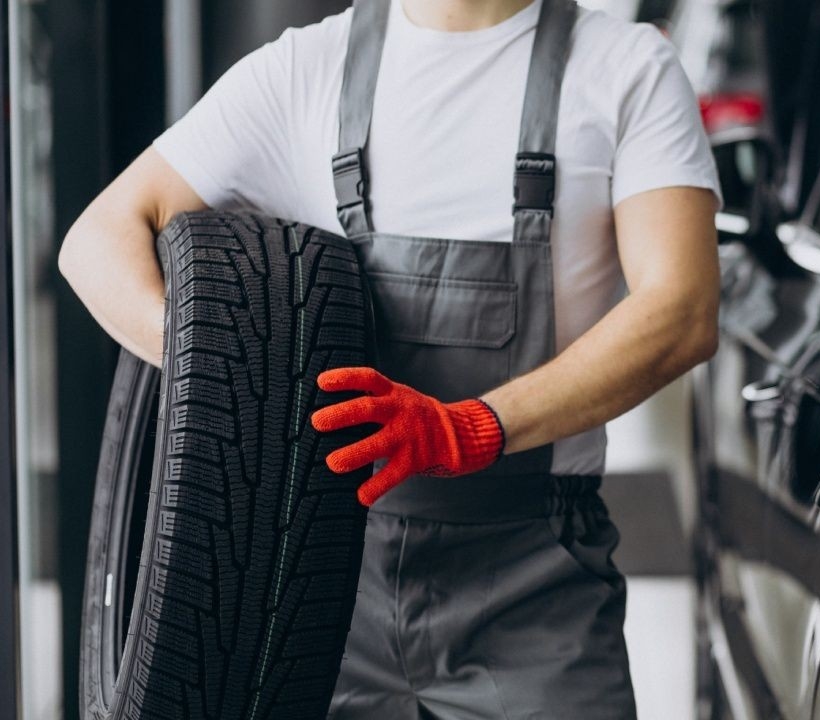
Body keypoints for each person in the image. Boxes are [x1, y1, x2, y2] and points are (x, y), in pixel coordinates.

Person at [58, 0, 722, 716]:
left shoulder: (627, 68)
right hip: (325, 581)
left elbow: (680, 309)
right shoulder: (304, 70)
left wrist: (472, 426)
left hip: (536, 579)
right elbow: (97, 240)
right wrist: (223, 372)